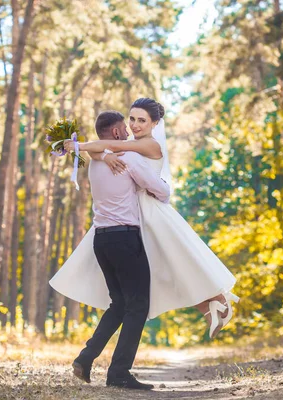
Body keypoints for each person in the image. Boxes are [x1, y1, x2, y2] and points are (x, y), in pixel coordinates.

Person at [50, 98, 239, 340]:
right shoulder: (129, 144)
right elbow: (105, 149)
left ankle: (218, 299)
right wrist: (104, 157)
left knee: (174, 262)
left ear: (154, 123)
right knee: (161, 270)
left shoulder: (151, 145)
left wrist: (82, 146)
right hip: (134, 212)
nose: (135, 125)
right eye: (132, 119)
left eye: (142, 120)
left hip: (151, 210)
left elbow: (106, 144)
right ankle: (208, 307)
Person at [68, 110, 170, 390]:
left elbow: (95, 152)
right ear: (114, 133)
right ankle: (119, 373)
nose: (128, 132)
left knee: (120, 304)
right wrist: (157, 187)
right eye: (124, 128)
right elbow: (162, 192)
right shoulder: (128, 159)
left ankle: (85, 358)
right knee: (138, 305)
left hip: (101, 239)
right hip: (125, 238)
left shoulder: (95, 161)